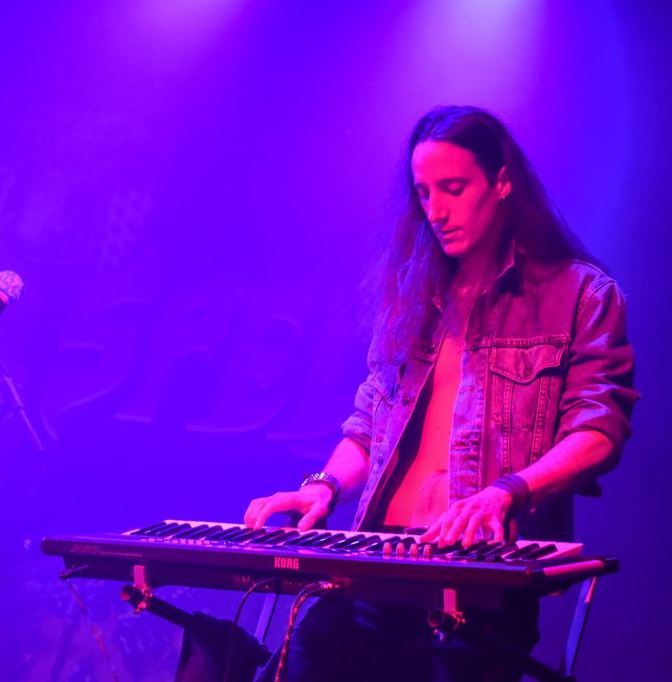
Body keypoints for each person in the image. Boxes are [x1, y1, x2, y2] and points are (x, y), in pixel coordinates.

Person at [204, 105, 638, 681]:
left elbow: (598, 430)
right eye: (425, 193)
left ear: (502, 182)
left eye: (454, 189)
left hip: (479, 572)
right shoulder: (412, 296)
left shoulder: (580, 294)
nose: (437, 210)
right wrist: (322, 487)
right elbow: (369, 427)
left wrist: (504, 494)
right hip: (377, 561)